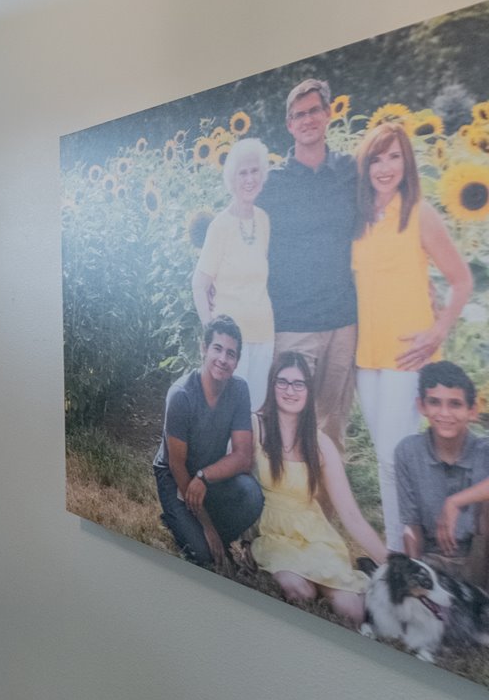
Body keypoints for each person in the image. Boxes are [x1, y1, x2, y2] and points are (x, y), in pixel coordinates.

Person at [351, 119, 473, 554]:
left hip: (407, 355)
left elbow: (461, 281)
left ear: (407, 162)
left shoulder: (419, 212)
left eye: (394, 156)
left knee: (390, 456)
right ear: (365, 166)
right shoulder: (360, 217)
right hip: (366, 356)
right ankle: (408, 548)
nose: (385, 167)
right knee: (389, 460)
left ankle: (401, 557)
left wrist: (438, 328)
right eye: (377, 158)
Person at [250, 352, 390, 625]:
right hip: (274, 533)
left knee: (353, 611)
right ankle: (308, 583)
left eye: (298, 384)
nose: (290, 390)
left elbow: (350, 514)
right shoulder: (256, 425)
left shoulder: (320, 443)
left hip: (313, 533)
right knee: (299, 590)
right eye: (283, 382)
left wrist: (391, 563)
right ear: (272, 385)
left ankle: (359, 579)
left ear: (308, 391)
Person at [258, 79, 360, 447]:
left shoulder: (351, 172)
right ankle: (283, 502)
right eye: (298, 115)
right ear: (289, 125)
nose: (307, 120)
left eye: (314, 110)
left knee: (331, 426)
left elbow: (384, 217)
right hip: (293, 322)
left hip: (342, 323)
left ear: (329, 113)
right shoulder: (273, 183)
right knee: (287, 424)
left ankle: (323, 506)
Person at [153, 315, 263, 568]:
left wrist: (203, 477)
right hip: (174, 475)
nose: (223, 359)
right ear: (203, 348)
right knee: (202, 557)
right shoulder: (181, 395)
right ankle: (178, 519)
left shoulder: (239, 390)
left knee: (251, 494)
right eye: (217, 348)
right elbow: (177, 465)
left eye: (231, 354)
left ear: (237, 361)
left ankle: (213, 537)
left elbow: (243, 456)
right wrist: (207, 526)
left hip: (207, 473)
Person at [192, 136, 276, 410]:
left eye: (254, 171)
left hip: (263, 335)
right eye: (243, 173)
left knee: (254, 411)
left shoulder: (264, 219)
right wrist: (211, 333)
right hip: (231, 343)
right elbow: (199, 284)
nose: (249, 179)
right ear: (232, 179)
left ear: (262, 176)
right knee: (227, 413)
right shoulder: (220, 226)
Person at [391, 360, 489, 588]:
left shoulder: (483, 450)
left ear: (471, 411)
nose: (444, 413)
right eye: (435, 402)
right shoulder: (408, 451)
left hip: (480, 558)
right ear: (422, 406)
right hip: (432, 561)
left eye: (455, 404)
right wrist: (416, 576)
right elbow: (411, 523)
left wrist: (455, 502)